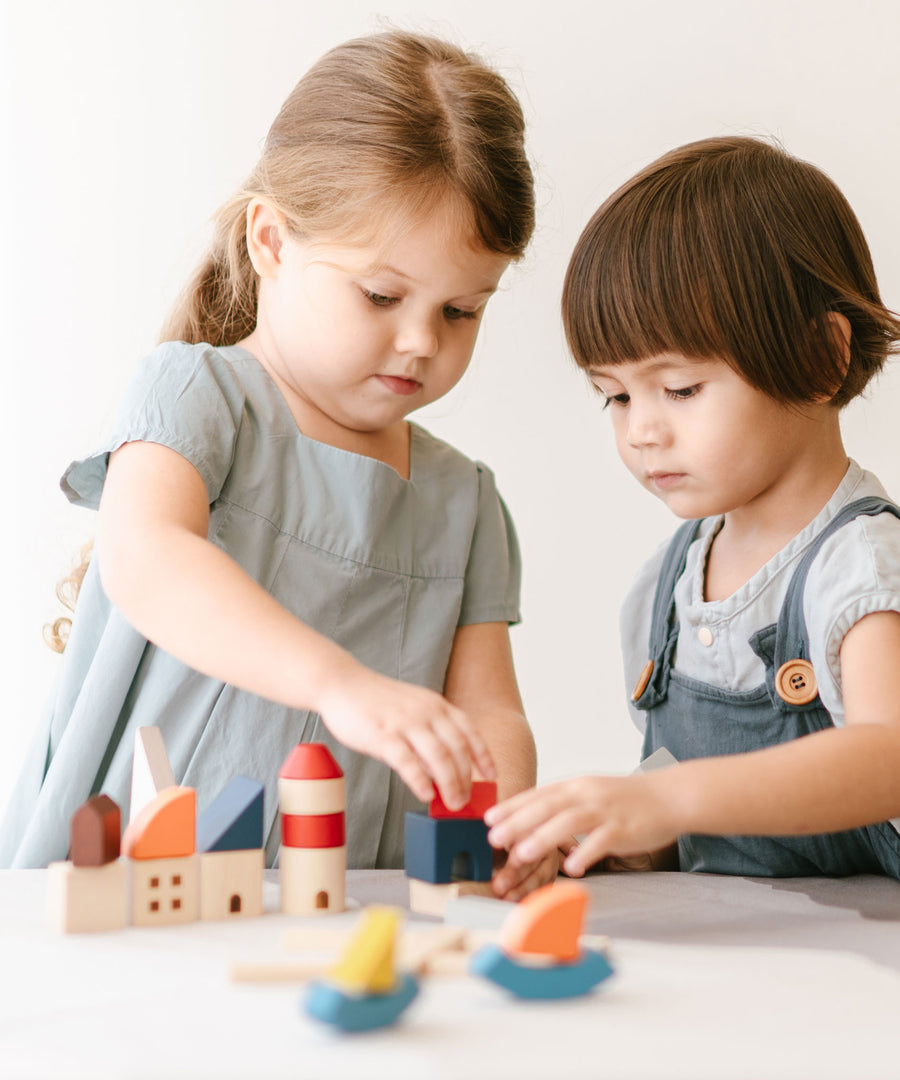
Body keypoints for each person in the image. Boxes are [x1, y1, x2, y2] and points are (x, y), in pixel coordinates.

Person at [2, 30, 553, 896]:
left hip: (348, 897)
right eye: (380, 295)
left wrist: (506, 819)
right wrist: (338, 685)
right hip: (147, 889)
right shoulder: (200, 396)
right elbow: (148, 559)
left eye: (461, 311)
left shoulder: (466, 500)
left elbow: (491, 711)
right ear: (271, 241)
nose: (420, 341)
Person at [485, 135, 900, 880]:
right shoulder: (670, 583)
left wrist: (671, 800)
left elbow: (887, 757)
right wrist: (609, 835)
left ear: (821, 357)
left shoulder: (860, 568)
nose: (642, 429)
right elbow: (692, 818)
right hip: (736, 965)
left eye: (679, 388)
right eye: (615, 395)